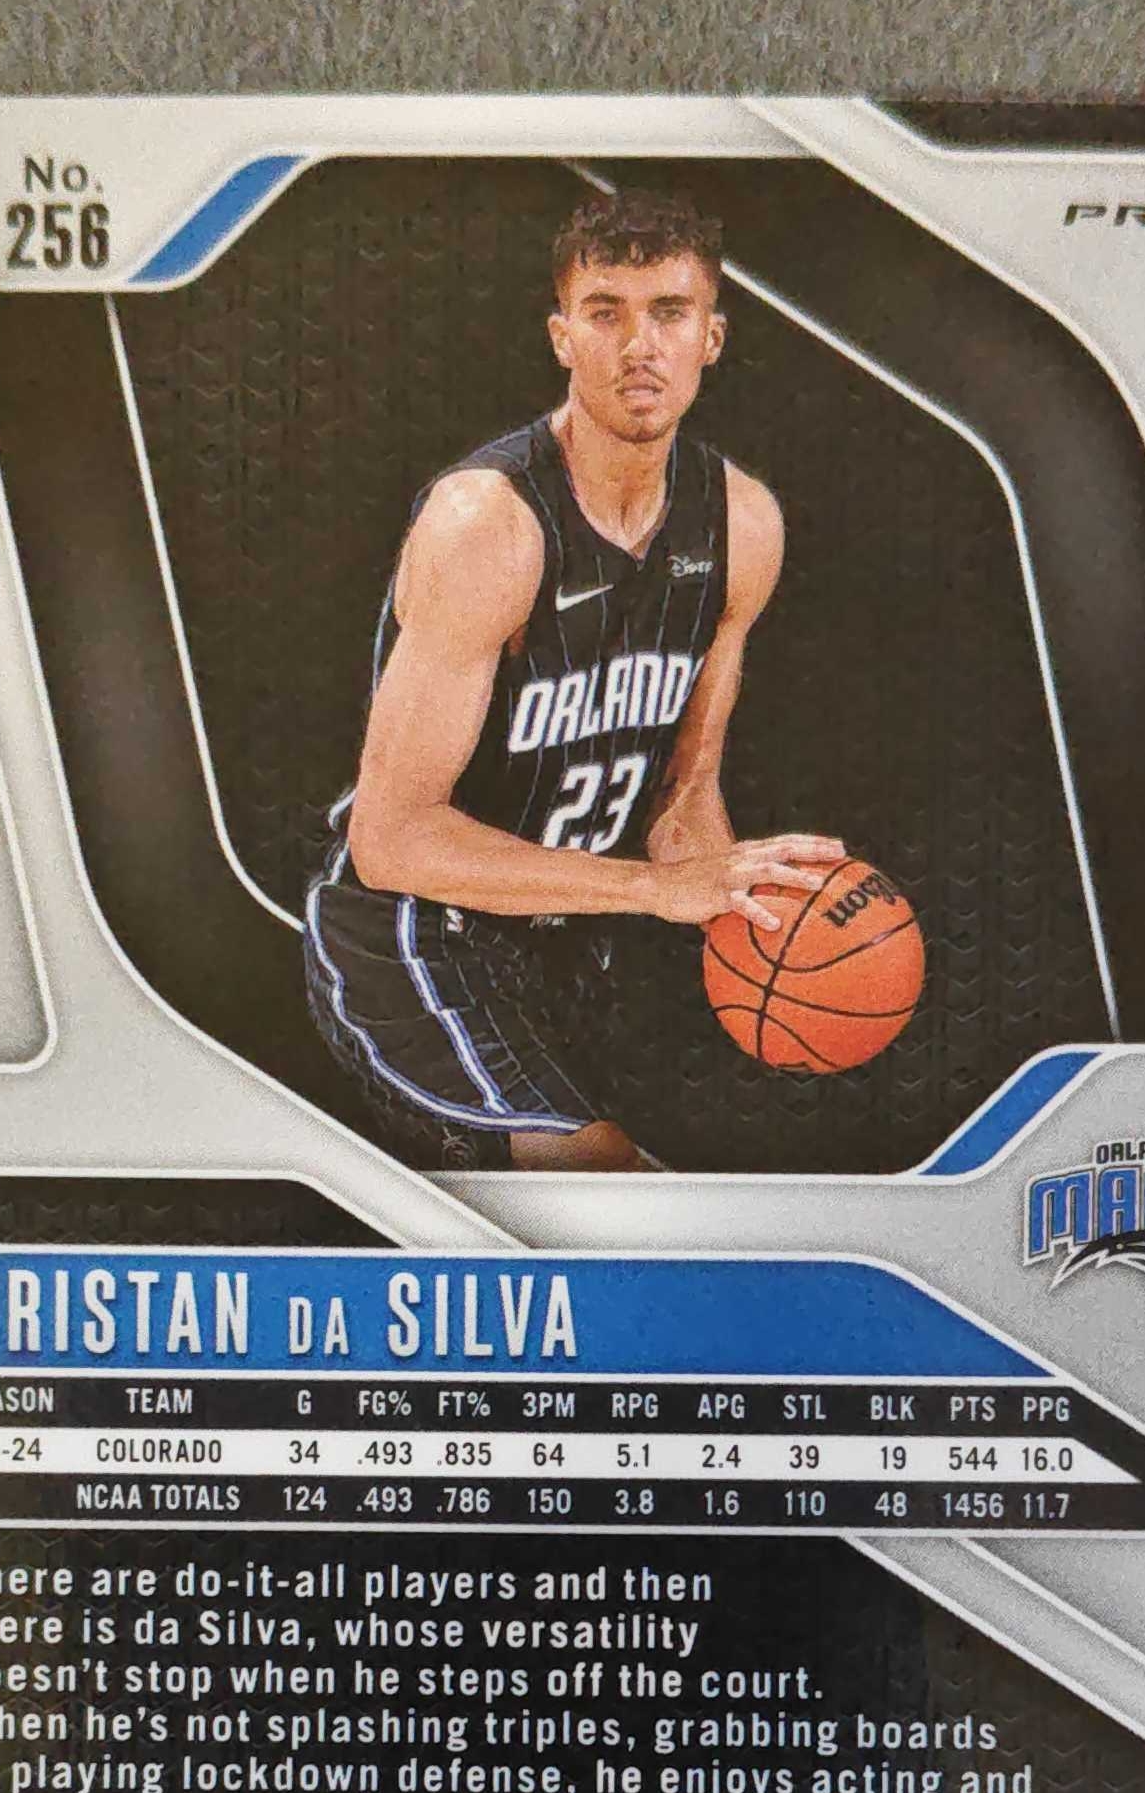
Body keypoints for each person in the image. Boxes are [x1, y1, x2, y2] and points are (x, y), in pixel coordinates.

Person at [304, 188, 844, 1171]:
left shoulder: (741, 526)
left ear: (712, 338)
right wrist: (652, 890)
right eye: (606, 314)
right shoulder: (490, 525)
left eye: (669, 313)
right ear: (562, 338)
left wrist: (762, 922)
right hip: (413, 936)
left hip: (571, 941)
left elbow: (684, 796)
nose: (640, 346)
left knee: (671, 1207)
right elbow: (391, 839)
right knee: (600, 1180)